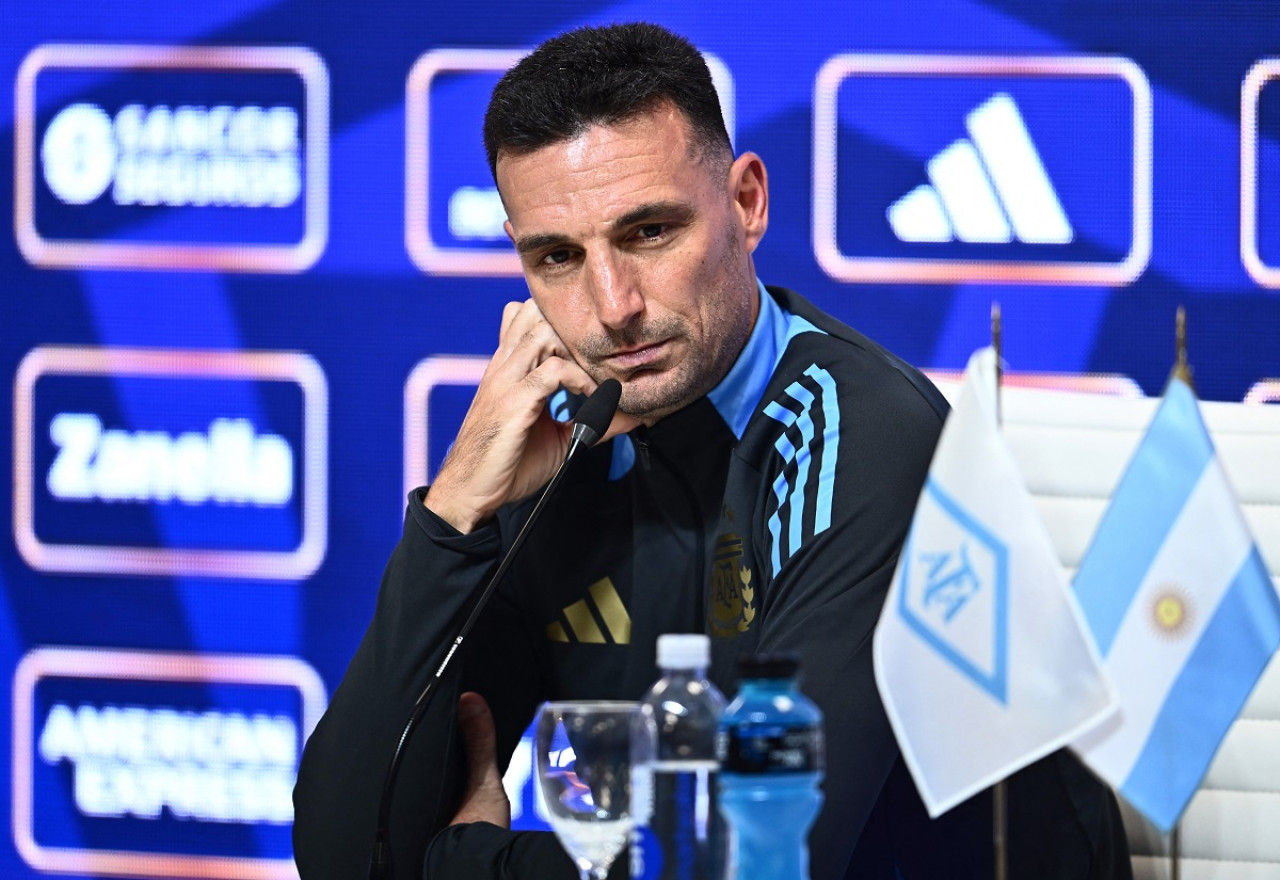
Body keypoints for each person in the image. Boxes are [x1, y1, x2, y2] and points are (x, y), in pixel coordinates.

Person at [292, 22, 1131, 880]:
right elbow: (345, 855)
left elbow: (761, 861)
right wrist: (458, 508)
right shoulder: (555, 456)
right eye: (557, 257)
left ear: (747, 203)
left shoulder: (861, 433)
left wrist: (469, 864)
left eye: (649, 232)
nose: (612, 306)